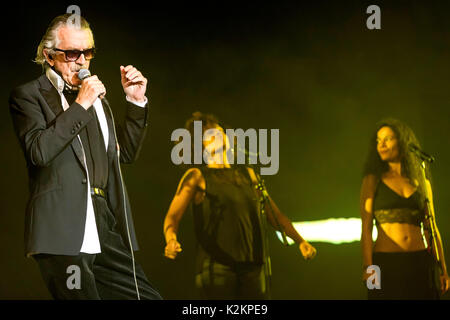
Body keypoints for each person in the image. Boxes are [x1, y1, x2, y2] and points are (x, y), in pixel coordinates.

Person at [9, 13, 162, 300]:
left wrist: (135, 100)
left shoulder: (97, 102)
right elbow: (39, 151)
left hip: (103, 221)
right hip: (62, 226)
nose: (81, 61)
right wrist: (81, 105)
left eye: (87, 52)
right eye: (72, 53)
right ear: (49, 56)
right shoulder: (29, 95)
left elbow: (124, 154)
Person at [163, 112, 317, 299]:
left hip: (253, 268)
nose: (218, 135)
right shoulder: (197, 176)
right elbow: (172, 217)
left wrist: (300, 241)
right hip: (217, 268)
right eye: (210, 134)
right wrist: (171, 238)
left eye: (220, 132)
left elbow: (275, 215)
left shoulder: (249, 175)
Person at [360, 118, 449, 299]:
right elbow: (366, 228)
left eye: (388, 139)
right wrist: (369, 268)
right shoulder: (372, 180)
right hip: (386, 263)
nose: (381, 144)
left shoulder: (421, 181)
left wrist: (443, 269)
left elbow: (432, 227)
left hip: (420, 261)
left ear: (401, 141)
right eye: (378, 140)